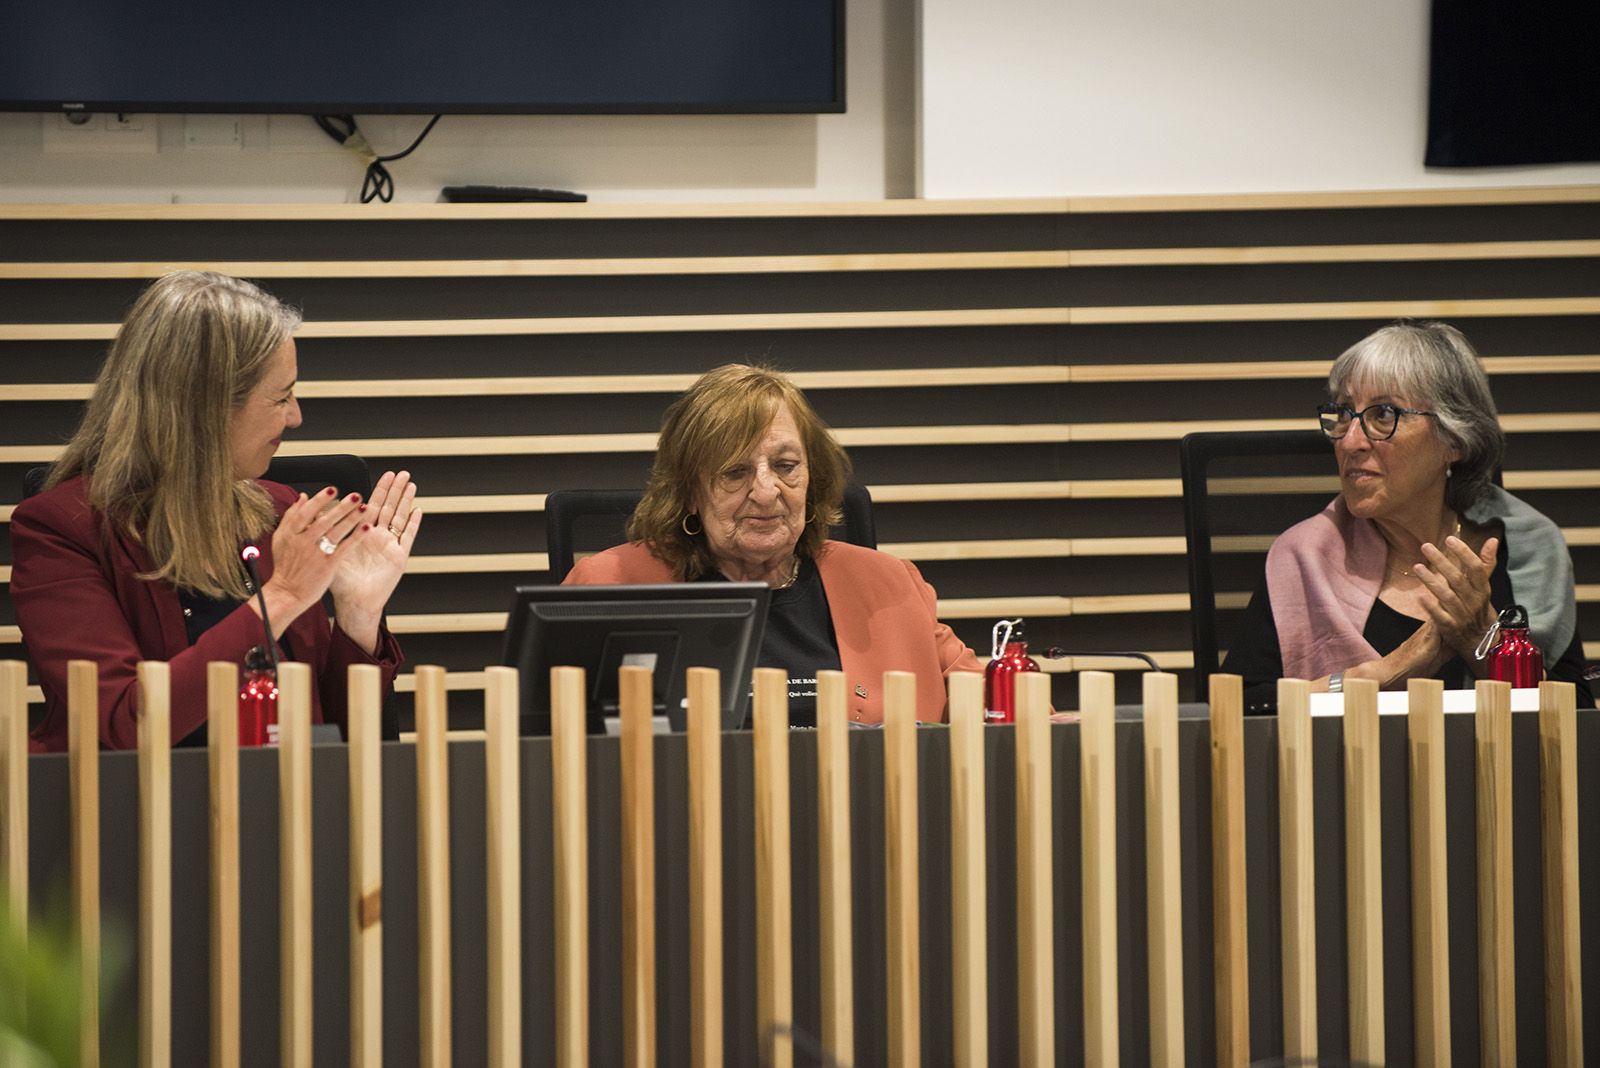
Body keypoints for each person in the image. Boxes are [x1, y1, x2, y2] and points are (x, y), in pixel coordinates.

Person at [11, 271, 423, 750]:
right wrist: (282, 597)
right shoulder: (61, 530)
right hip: (138, 814)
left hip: (286, 807)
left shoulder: (281, 513)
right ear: (205, 411)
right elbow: (123, 725)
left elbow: (334, 736)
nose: (296, 416)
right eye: (281, 397)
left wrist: (357, 615)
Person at [564, 363, 981, 725]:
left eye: (785, 466)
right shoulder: (609, 588)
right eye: (735, 471)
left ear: (811, 479)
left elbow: (997, 709)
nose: (766, 491)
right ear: (690, 490)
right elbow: (542, 747)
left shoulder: (890, 583)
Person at [1223, 321, 1594, 711]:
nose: (1349, 440)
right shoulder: (1305, 556)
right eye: (1345, 414)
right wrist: (1390, 671)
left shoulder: (1527, 549)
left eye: (1384, 414)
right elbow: (1243, 710)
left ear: (1454, 439)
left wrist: (1480, 639)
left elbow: (1576, 721)